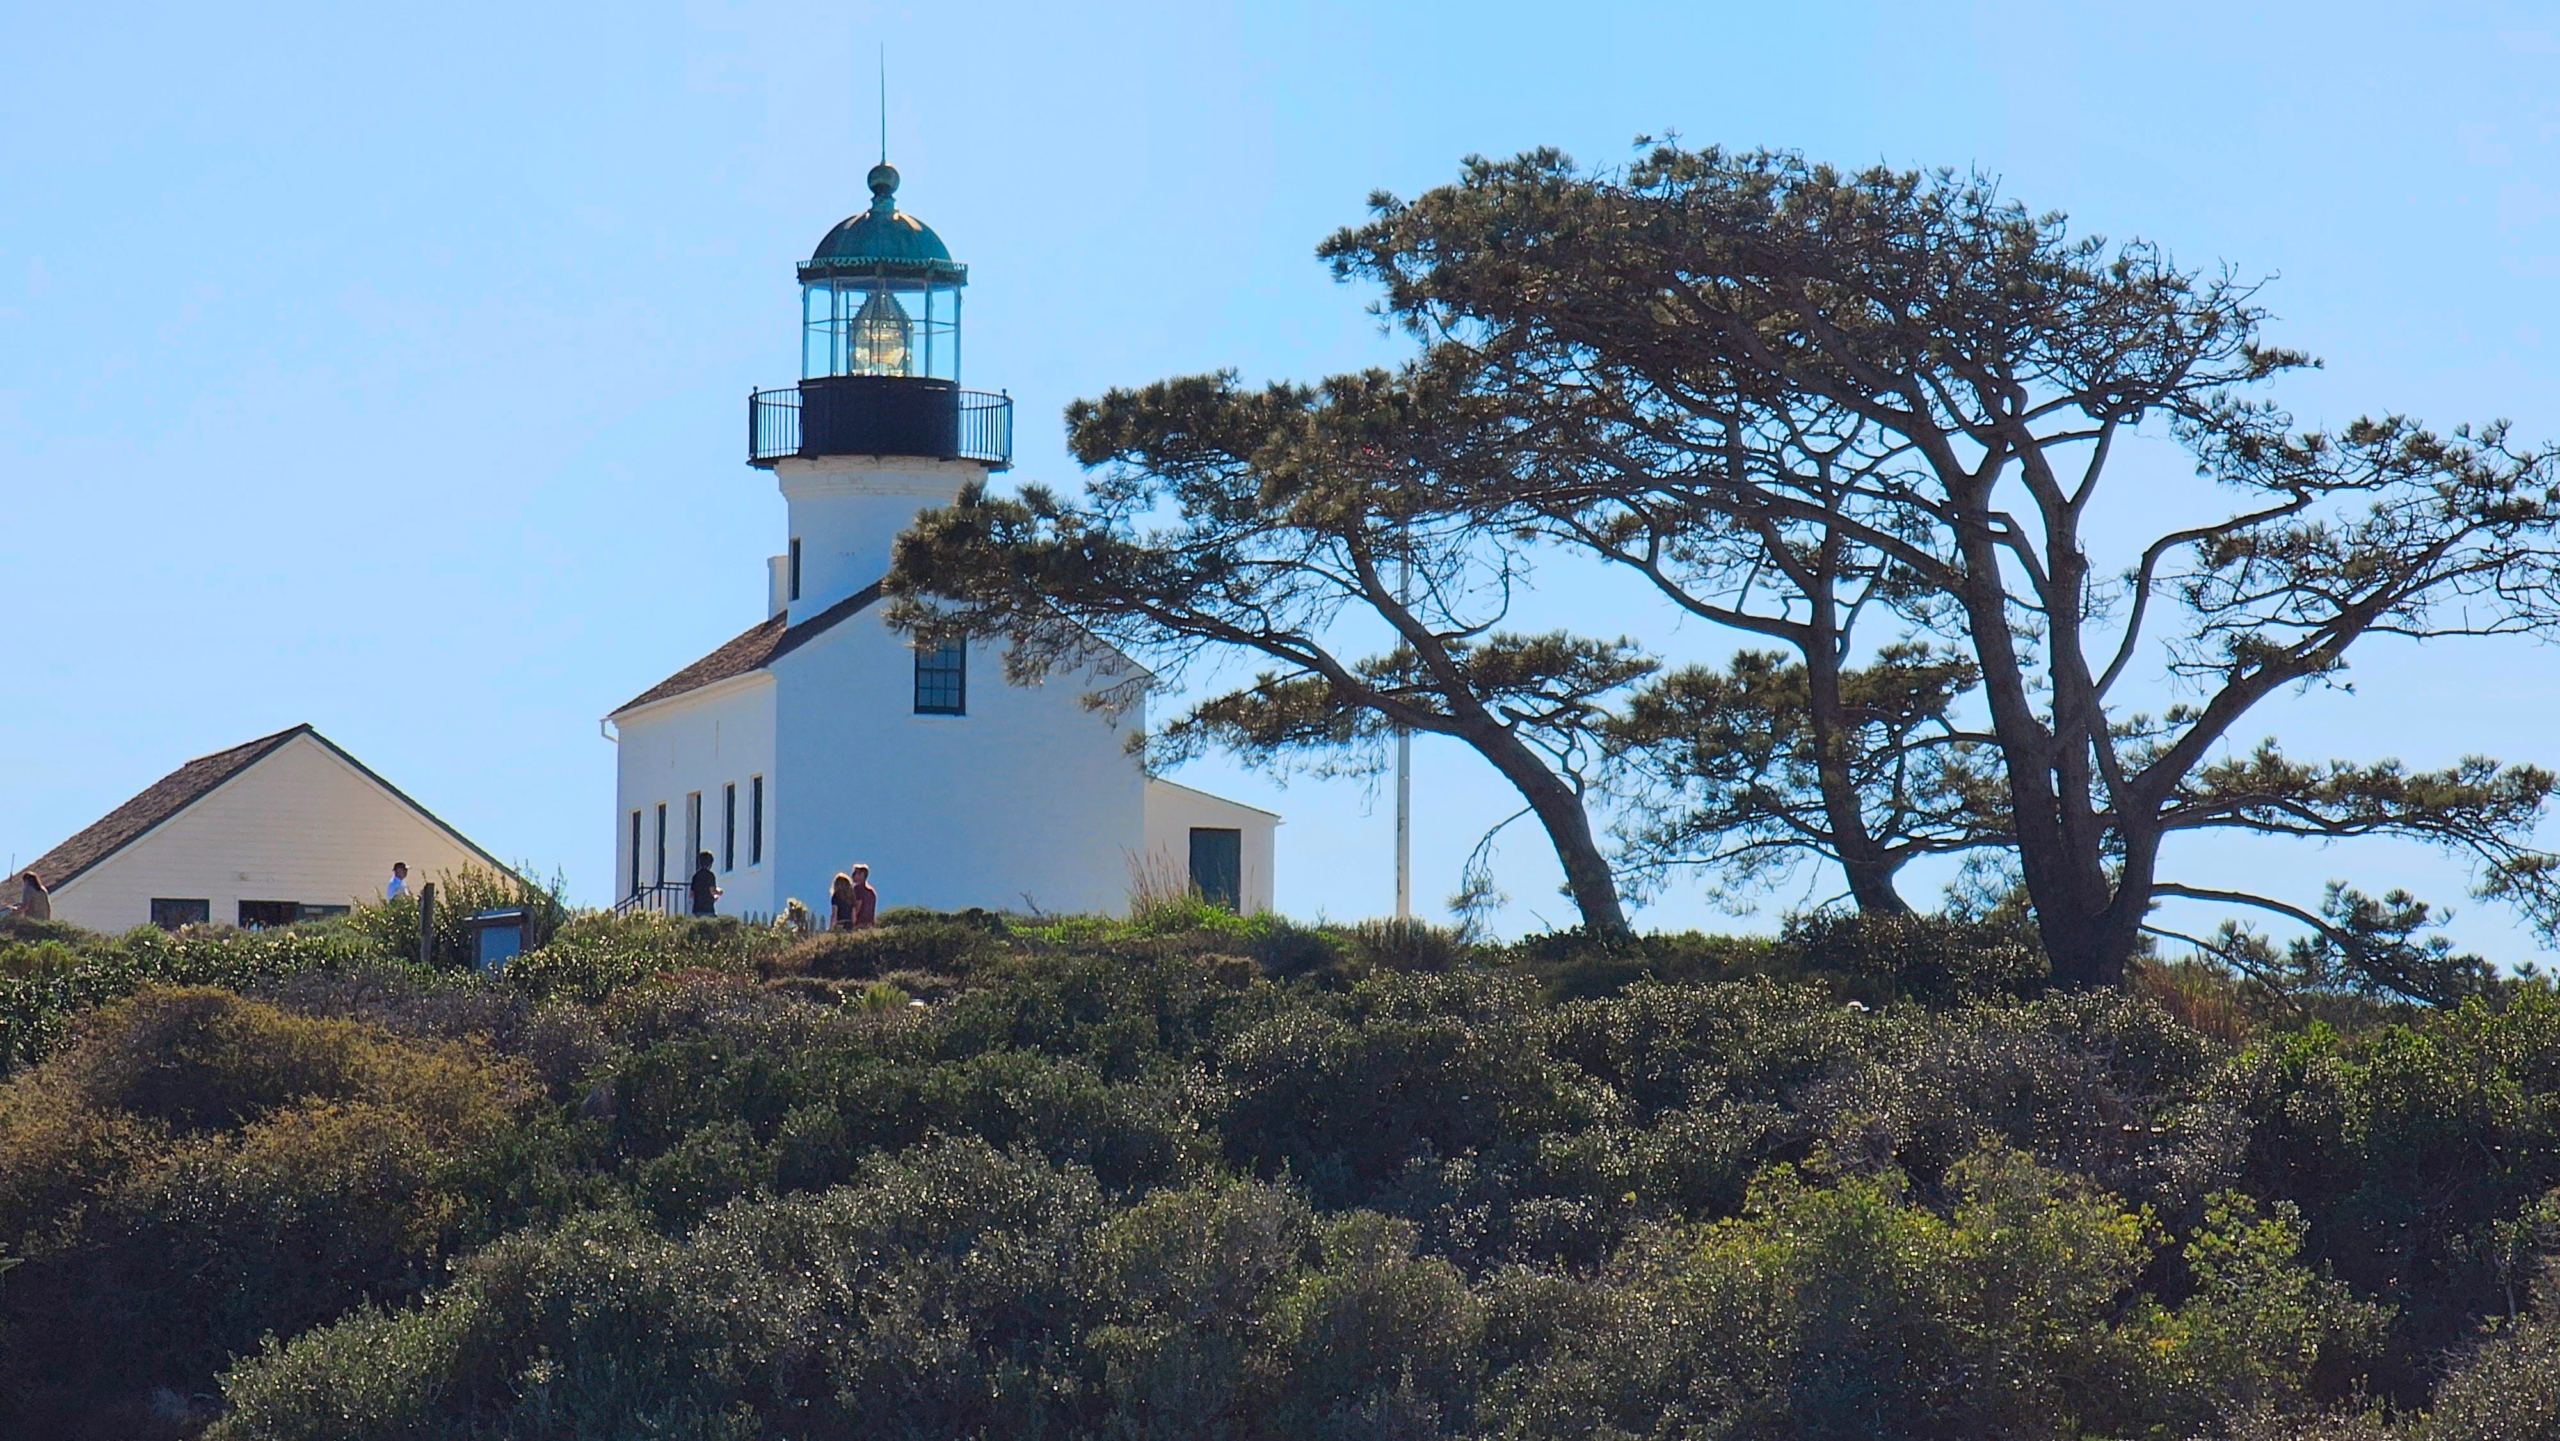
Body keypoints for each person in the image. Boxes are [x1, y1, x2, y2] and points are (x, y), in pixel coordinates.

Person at [689, 850, 721, 917]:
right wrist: (718, 893)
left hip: (696, 910)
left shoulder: (695, 876)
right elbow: (712, 891)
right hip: (708, 909)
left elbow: (691, 894)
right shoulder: (710, 875)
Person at [847, 863, 877, 930]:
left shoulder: (858, 889)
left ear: (862, 875)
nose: (852, 875)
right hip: (869, 925)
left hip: (859, 924)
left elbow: (857, 907)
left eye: (855, 873)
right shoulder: (871, 892)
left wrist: (852, 921)